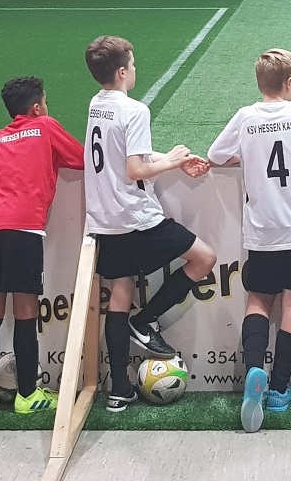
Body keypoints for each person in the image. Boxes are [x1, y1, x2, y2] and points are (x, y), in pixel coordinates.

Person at [207, 48, 291, 433]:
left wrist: (245, 158)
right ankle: (280, 389)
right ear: (289, 83)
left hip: (263, 230)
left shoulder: (245, 117)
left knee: (258, 300)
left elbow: (216, 156)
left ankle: (255, 369)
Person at [83, 35, 215, 413]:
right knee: (204, 258)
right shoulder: (135, 110)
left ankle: (119, 389)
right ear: (123, 72)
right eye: (133, 63)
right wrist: (172, 160)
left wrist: (171, 159)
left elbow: (125, 154)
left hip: (104, 218)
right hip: (135, 217)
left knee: (120, 292)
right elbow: (135, 169)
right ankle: (145, 321)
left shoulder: (96, 104)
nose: (135, 68)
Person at [0, 76, 84, 416]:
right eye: (45, 102)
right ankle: (27, 395)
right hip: (25, 230)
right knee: (25, 312)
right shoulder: (45, 127)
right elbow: (80, 158)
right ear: (36, 107)